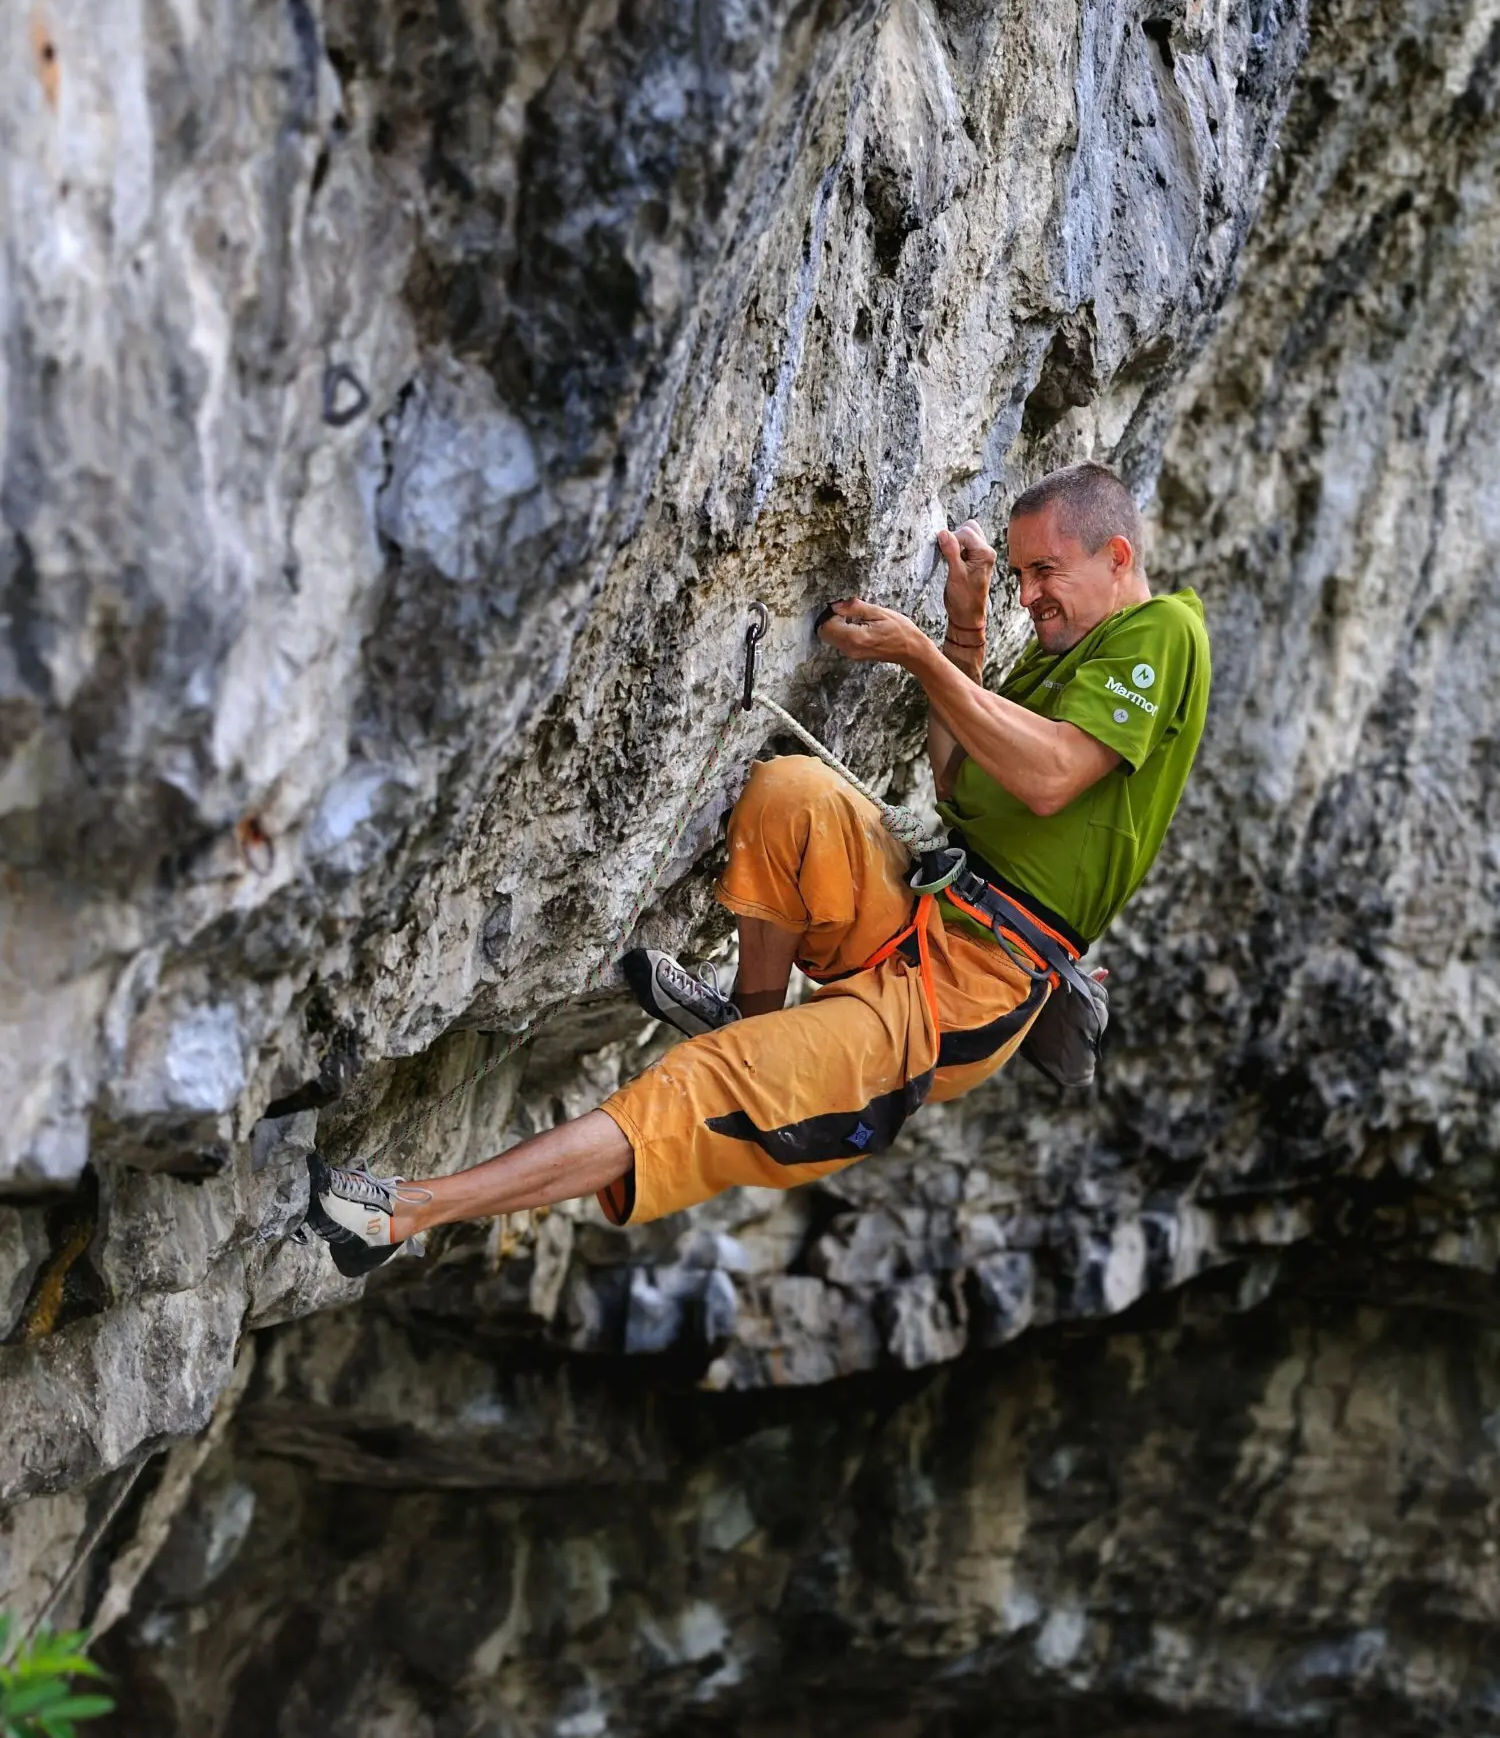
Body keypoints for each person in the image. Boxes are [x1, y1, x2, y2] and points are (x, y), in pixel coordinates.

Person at [306, 462, 1211, 1276]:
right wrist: (965, 629)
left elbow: (1052, 777)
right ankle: (747, 1016)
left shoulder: (1163, 629)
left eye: (1043, 571)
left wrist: (924, 657)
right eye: (1019, 574)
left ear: (1118, 555)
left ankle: (401, 1214)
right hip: (920, 917)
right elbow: (959, 775)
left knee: (691, 1094)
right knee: (793, 793)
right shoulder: (1070, 658)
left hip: (961, 994)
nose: (1030, 594)